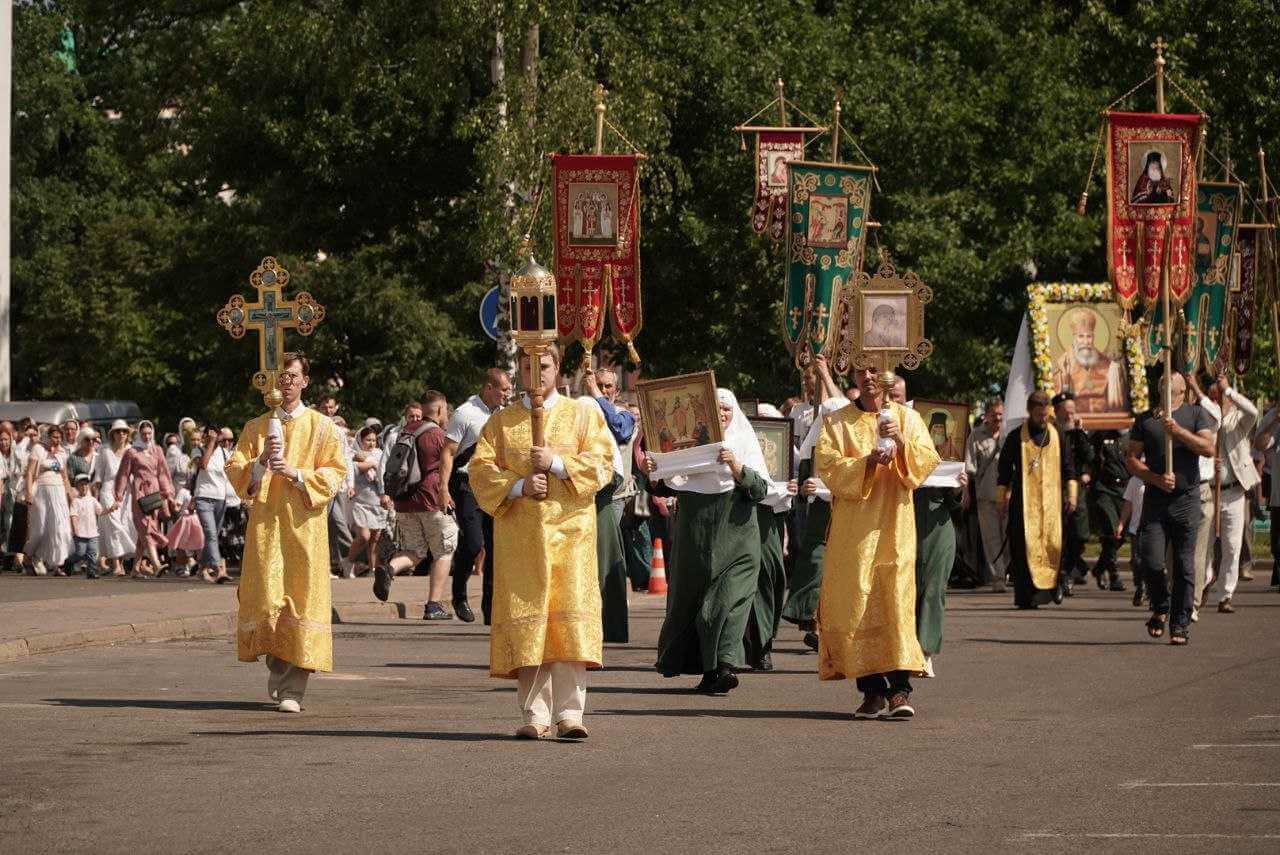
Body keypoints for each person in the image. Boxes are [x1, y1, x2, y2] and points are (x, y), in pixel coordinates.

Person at [469, 343, 614, 740]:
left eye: (545, 366)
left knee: (567, 627)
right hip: (522, 539)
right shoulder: (501, 423)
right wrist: (516, 485)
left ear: (558, 368)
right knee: (530, 626)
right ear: (519, 372)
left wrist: (557, 464)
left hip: (571, 536)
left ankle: (570, 713)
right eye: (529, 367)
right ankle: (534, 713)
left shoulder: (582, 414)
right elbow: (479, 473)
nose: (538, 374)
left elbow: (604, 464)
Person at [814, 366, 939, 719]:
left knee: (895, 600)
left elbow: (925, 462)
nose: (867, 377)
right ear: (852, 377)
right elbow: (829, 466)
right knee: (856, 600)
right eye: (859, 370)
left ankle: (900, 690)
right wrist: (867, 461)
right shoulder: (837, 422)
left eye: (874, 369)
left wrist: (899, 441)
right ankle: (871, 691)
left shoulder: (908, 418)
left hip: (894, 526)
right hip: (853, 531)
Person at [226, 352, 348, 713]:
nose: (287, 381)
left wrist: (296, 473)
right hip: (266, 526)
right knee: (268, 602)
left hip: (304, 528)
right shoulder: (256, 427)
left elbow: (335, 474)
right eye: (282, 375)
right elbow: (235, 470)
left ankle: (294, 688)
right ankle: (279, 672)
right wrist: (260, 464)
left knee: (303, 601)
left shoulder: (322, 427)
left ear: (305, 381)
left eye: (294, 376)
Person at [644, 388, 768, 694]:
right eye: (717, 409)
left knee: (730, 599)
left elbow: (760, 489)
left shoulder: (744, 440)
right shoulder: (690, 442)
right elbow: (666, 486)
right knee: (697, 604)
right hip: (694, 534)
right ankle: (711, 672)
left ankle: (726, 663)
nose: (722, 413)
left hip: (737, 535)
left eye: (727, 408)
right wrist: (654, 472)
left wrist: (736, 467)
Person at [1126, 371, 1216, 645]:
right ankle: (1161, 606)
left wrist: (1178, 432)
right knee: (1150, 560)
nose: (1166, 380)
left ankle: (1179, 624)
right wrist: (1154, 478)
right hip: (1155, 500)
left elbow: (1208, 448)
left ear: (1180, 389)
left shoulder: (1195, 414)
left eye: (1171, 378)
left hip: (1186, 500)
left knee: (1184, 565)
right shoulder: (1146, 419)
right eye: (1163, 379)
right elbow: (1131, 459)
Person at [373, 391, 458, 620]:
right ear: (440, 410)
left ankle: (390, 568)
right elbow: (450, 464)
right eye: (446, 409)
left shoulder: (405, 430)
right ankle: (433, 605)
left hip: (403, 500)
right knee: (444, 549)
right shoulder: (439, 435)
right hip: (431, 499)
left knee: (416, 550)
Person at [782, 355, 847, 650]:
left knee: (838, 567)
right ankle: (815, 621)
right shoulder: (811, 423)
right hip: (820, 506)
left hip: (848, 506)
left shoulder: (850, 424)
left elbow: (839, 409)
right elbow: (803, 459)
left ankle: (827, 627)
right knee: (816, 561)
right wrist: (804, 485)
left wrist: (824, 373)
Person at [441, 368, 510, 624]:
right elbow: (448, 453)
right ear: (489, 388)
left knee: (495, 548)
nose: (507, 394)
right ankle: (459, 595)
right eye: (503, 389)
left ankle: (491, 609)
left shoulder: (503, 415)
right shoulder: (465, 413)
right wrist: (443, 488)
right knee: (472, 544)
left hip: (495, 485)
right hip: (467, 484)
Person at [997, 391, 1077, 610]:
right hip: (1023, 505)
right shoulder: (1016, 437)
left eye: (1045, 414)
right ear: (1030, 411)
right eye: (1039, 414)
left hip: (1052, 504)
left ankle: (1052, 587)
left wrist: (1072, 494)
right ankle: (1026, 596)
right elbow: (1003, 470)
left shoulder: (1057, 435)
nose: (1043, 418)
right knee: (1023, 549)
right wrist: (1001, 499)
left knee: (1053, 544)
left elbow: (1069, 468)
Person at [582, 367, 636, 644]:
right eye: (599, 385)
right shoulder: (581, 411)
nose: (604, 390)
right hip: (581, 492)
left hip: (612, 497)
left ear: (616, 390)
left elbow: (620, 430)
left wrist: (594, 396)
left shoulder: (624, 414)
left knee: (605, 554)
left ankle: (610, 621)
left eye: (608, 387)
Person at [1205, 373, 1259, 614]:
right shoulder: (1205, 419)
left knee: (1232, 546)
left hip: (1234, 491)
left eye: (1218, 396)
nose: (1214, 400)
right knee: (1204, 545)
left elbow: (1254, 412)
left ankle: (1225, 595)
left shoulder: (1239, 418)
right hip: (1208, 491)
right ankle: (1204, 582)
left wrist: (1229, 390)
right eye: (1211, 397)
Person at [110, 420, 174, 578]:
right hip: (139, 495)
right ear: (139, 434)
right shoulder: (131, 452)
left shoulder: (157, 450)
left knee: (143, 533)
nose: (146, 436)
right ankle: (156, 564)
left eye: (149, 433)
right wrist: (119, 496)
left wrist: (167, 492)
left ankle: (135, 569)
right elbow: (123, 475)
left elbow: (163, 473)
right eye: (143, 433)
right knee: (146, 528)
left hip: (154, 494)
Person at [965, 398, 1006, 592]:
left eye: (1001, 414)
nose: (998, 418)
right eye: (994, 414)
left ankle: (1005, 571)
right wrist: (966, 494)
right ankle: (998, 577)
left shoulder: (1009, 434)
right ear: (987, 415)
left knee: (1008, 536)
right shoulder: (976, 435)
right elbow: (968, 469)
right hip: (986, 495)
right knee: (991, 540)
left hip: (1008, 496)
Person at [1052, 308, 1128, 414]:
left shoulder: (1108, 364)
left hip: (1103, 424)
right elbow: (1058, 403)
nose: (1085, 342)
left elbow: (1116, 405)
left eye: (1089, 336)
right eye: (1081, 336)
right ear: (1074, 338)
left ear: (1094, 337)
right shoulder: (1063, 365)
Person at [1053, 392, 1092, 594]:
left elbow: (1089, 456)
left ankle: (1069, 568)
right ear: (1057, 412)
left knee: (1080, 534)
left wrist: (1081, 433)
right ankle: (1062, 575)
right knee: (1059, 534)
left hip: (1076, 488)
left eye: (1072, 412)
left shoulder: (1078, 433)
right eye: (1066, 412)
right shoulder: (1050, 432)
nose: (1070, 416)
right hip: (1055, 487)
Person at [24, 426, 74, 576]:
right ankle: (30, 556)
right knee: (40, 529)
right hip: (42, 490)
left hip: (58, 491)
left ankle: (57, 564)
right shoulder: (38, 449)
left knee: (60, 528)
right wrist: (28, 493)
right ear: (47, 436)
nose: (57, 440)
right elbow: (30, 473)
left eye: (59, 437)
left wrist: (70, 494)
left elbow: (65, 476)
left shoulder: (62, 453)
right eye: (54, 437)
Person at [92, 420, 138, 577]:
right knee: (113, 526)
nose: (122, 434)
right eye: (118, 431)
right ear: (112, 433)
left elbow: (135, 474)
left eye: (124, 431)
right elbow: (98, 475)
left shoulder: (131, 450)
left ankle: (121, 563)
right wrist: (95, 499)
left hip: (126, 494)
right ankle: (116, 564)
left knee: (126, 526)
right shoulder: (105, 450)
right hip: (107, 491)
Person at [1087, 427, 1130, 591]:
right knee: (1112, 531)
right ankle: (1114, 575)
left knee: (1121, 536)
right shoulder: (1099, 434)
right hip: (1104, 488)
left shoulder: (1131, 435)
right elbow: (1090, 457)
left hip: (1123, 490)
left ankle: (1099, 568)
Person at [191, 425, 232, 583]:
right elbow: (203, 465)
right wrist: (210, 443)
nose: (213, 437)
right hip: (203, 497)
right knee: (211, 534)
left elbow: (232, 473)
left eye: (215, 435)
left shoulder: (224, 453)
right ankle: (218, 569)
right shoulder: (197, 450)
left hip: (220, 499)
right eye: (209, 435)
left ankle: (201, 569)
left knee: (213, 536)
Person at [346, 426, 387, 576]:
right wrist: (373, 464)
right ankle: (348, 561)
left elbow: (383, 472)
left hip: (377, 501)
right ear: (360, 440)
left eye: (374, 440)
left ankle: (373, 569)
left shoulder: (379, 453)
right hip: (360, 502)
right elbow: (357, 469)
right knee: (364, 536)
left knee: (375, 538)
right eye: (367, 440)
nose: (371, 443)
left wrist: (373, 463)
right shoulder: (353, 455)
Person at [1254, 405, 1280, 590]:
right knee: (1276, 546)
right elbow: (1260, 444)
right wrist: (1275, 420)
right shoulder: (1274, 419)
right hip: (1278, 495)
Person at [1118, 474, 1147, 605]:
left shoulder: (1160, 479)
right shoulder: (1135, 480)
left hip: (1155, 527)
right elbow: (1128, 504)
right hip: (1136, 528)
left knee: (1153, 562)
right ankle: (1140, 586)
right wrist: (1121, 524)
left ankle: (1151, 590)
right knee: (1136, 561)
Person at [67, 474, 103, 578]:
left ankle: (92, 572)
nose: (84, 487)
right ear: (77, 487)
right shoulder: (75, 501)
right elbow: (73, 516)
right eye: (81, 485)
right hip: (81, 533)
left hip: (92, 532)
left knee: (93, 553)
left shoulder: (92, 500)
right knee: (80, 553)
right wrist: (75, 529)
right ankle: (69, 562)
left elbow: (100, 511)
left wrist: (110, 509)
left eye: (86, 485)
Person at [165, 485, 204, 576]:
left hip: (185, 522)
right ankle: (200, 567)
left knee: (181, 545)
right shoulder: (201, 491)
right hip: (197, 521)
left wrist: (172, 502)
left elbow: (177, 508)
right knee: (198, 546)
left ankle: (184, 566)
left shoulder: (183, 492)